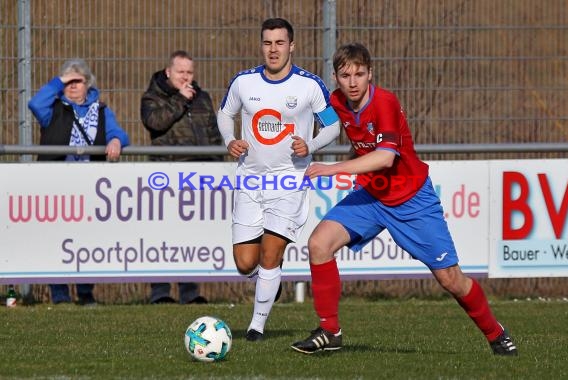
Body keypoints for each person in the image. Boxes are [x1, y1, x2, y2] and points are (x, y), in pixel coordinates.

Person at [290, 43, 518, 356]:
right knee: (319, 244)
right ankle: (329, 330)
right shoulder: (335, 102)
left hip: (412, 200)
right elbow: (329, 124)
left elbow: (384, 157)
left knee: (451, 279)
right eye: (345, 75)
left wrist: (333, 169)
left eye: (359, 74)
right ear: (336, 77)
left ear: (370, 73)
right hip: (371, 196)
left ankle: (497, 335)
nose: (353, 81)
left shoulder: (385, 102)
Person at [217, 18, 340, 341]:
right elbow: (225, 113)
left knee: (271, 254)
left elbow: (332, 126)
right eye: (268, 43)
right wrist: (230, 139)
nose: (273, 49)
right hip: (250, 181)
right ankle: (270, 280)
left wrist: (310, 144)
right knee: (245, 264)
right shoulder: (244, 83)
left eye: (280, 43)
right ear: (262, 46)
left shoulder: (308, 85)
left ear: (292, 46)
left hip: (289, 182)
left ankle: (256, 325)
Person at [28, 58, 130, 305]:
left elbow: (118, 133)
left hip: (90, 185)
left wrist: (115, 141)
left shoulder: (102, 110)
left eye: (78, 81)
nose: (73, 86)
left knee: (87, 238)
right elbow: (34, 102)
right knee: (56, 238)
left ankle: (85, 293)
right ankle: (60, 295)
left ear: (88, 84)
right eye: (68, 81)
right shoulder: (51, 109)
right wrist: (59, 81)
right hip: (56, 185)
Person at [141, 50, 221, 304]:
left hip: (199, 176)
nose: (186, 77)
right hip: (166, 175)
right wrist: (180, 100)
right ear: (168, 72)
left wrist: (217, 169)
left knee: (192, 235)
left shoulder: (202, 98)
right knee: (161, 233)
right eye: (180, 72)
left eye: (189, 72)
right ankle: (160, 292)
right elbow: (155, 122)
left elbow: (213, 133)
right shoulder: (152, 97)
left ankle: (190, 292)